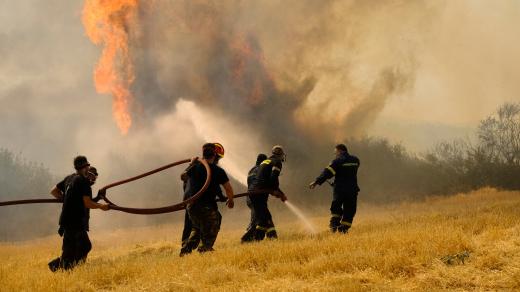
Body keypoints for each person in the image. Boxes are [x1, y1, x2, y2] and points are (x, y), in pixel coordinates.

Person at [48, 156, 110, 271]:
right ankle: (62, 267)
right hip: (75, 222)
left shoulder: (69, 178)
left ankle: (64, 269)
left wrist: (66, 199)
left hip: (66, 221)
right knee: (85, 246)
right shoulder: (83, 182)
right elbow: (87, 203)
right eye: (87, 167)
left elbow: (53, 191)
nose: (88, 170)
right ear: (84, 168)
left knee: (70, 251)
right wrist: (102, 206)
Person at [180, 143, 234, 256]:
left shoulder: (195, 167)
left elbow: (183, 177)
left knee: (198, 227)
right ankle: (205, 248)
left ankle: (187, 248)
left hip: (191, 206)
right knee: (215, 220)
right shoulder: (218, 171)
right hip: (205, 206)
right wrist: (230, 200)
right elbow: (228, 188)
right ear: (215, 155)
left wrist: (192, 164)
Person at [309, 144, 360, 233]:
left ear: (340, 151)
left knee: (336, 207)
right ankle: (343, 229)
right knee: (350, 210)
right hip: (352, 190)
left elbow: (327, 173)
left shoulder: (337, 161)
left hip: (340, 190)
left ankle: (334, 225)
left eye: (335, 152)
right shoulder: (356, 160)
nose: (335, 154)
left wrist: (316, 182)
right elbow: (349, 173)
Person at [248, 145, 287, 241]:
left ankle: (256, 240)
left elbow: (265, 180)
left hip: (254, 192)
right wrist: (276, 191)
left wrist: (278, 192)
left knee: (263, 218)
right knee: (265, 217)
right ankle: (260, 239)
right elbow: (273, 178)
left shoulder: (266, 161)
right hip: (259, 193)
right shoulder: (277, 162)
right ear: (281, 155)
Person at [240, 153, 268, 243]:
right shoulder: (261, 169)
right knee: (257, 219)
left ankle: (254, 238)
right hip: (257, 198)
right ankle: (246, 239)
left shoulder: (251, 170)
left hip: (249, 197)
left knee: (256, 218)